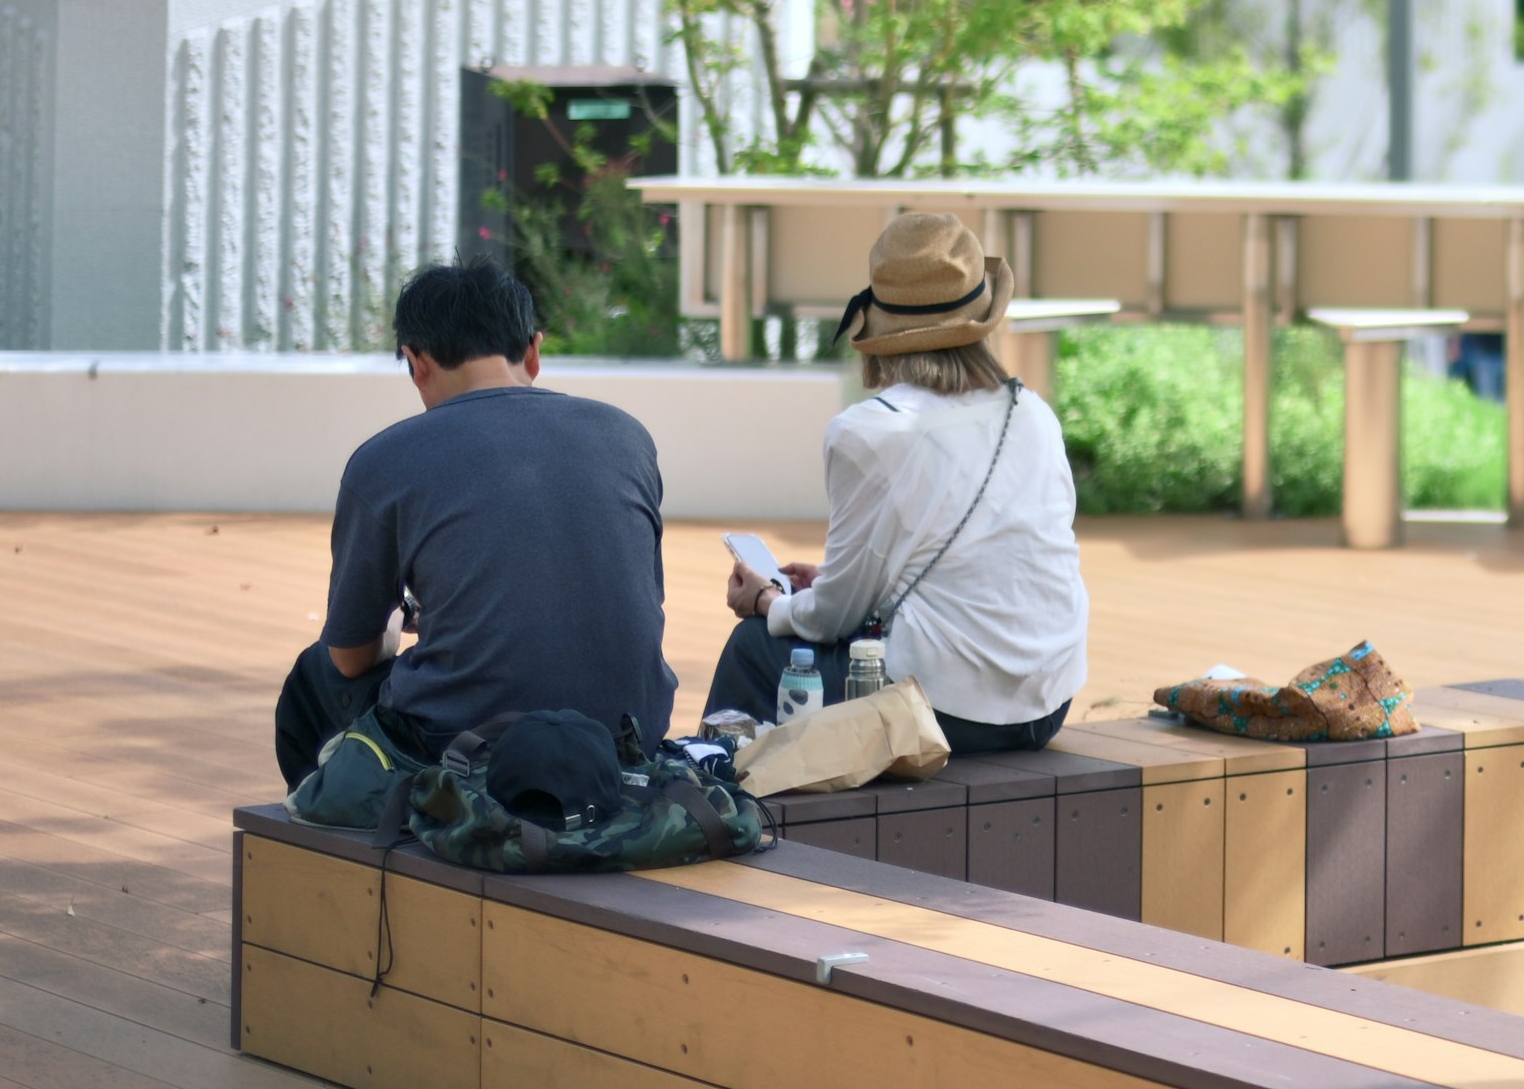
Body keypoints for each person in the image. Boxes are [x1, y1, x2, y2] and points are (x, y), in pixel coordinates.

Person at [277, 262, 677, 786]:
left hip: (467, 745)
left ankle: (336, 840)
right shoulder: (627, 435)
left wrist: (401, 624)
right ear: (533, 350)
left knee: (317, 675)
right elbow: (643, 598)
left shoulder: (384, 459)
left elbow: (351, 657)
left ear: (416, 362)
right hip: (629, 733)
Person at [708, 212, 1089, 753]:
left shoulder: (868, 431)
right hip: (1047, 701)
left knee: (755, 647)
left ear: (884, 328)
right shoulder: (1031, 412)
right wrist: (836, 582)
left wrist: (769, 602)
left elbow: (832, 617)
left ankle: (724, 807)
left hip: (941, 711)